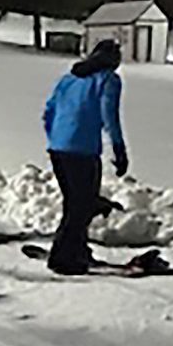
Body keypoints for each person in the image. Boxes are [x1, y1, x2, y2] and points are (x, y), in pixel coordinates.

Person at [42, 38, 128, 275]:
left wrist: (56, 137)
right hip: (83, 151)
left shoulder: (68, 79)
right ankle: (62, 257)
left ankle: (77, 248)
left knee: (75, 203)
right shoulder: (108, 79)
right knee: (82, 206)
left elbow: (49, 110)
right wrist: (119, 150)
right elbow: (109, 116)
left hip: (58, 149)